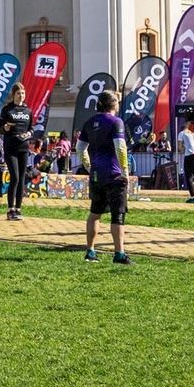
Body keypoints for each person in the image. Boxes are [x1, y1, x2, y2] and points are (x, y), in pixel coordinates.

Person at [81, 88, 131, 264]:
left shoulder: (89, 122)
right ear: (114, 104)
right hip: (114, 175)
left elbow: (80, 148)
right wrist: (125, 170)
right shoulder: (116, 122)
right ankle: (119, 253)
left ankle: (90, 251)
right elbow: (120, 147)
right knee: (118, 215)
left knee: (95, 213)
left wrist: (88, 166)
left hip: (96, 175)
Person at [0, 83, 34, 221]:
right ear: (13, 95)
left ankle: (18, 208)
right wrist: (5, 128)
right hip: (11, 148)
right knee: (15, 177)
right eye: (19, 93)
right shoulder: (7, 110)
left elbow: (32, 128)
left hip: (24, 148)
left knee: (22, 178)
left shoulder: (28, 110)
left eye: (23, 93)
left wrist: (29, 134)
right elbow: (0, 129)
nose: (21, 96)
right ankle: (10, 209)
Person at [178, 116, 194, 202]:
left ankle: (192, 196)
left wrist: (184, 149)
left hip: (188, 155)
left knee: (189, 176)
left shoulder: (182, 133)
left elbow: (180, 147)